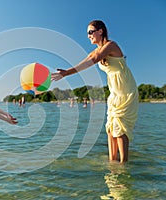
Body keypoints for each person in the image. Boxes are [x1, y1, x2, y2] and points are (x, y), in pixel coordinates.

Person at [51, 20, 138, 163]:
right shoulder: (97, 50)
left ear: (100, 31)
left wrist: (67, 73)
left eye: (90, 32)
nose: (88, 36)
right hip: (114, 93)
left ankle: (123, 165)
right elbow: (90, 58)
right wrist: (67, 72)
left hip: (126, 91)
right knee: (110, 128)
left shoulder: (111, 45)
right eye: (87, 33)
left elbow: (94, 59)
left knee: (120, 128)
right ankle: (112, 163)